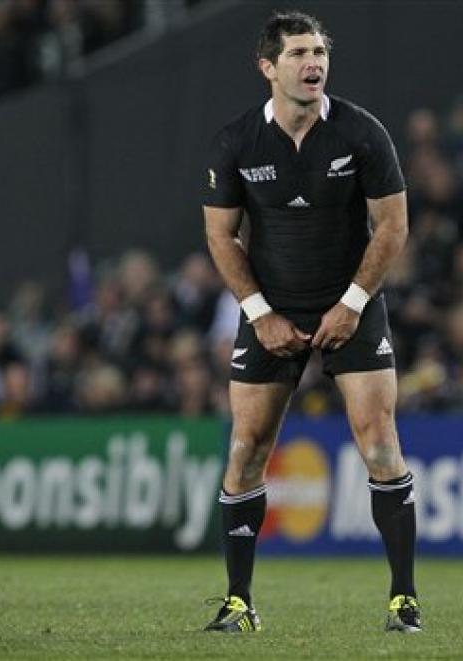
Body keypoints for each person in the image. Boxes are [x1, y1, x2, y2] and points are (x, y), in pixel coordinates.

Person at [202, 10, 420, 634]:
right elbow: (221, 237)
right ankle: (237, 603)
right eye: (298, 53)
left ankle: (403, 600)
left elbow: (394, 227)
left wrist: (352, 303)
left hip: (352, 302)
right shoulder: (236, 143)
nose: (313, 63)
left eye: (319, 51)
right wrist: (259, 313)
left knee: (378, 439)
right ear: (268, 67)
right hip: (271, 310)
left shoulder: (362, 133)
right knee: (246, 450)